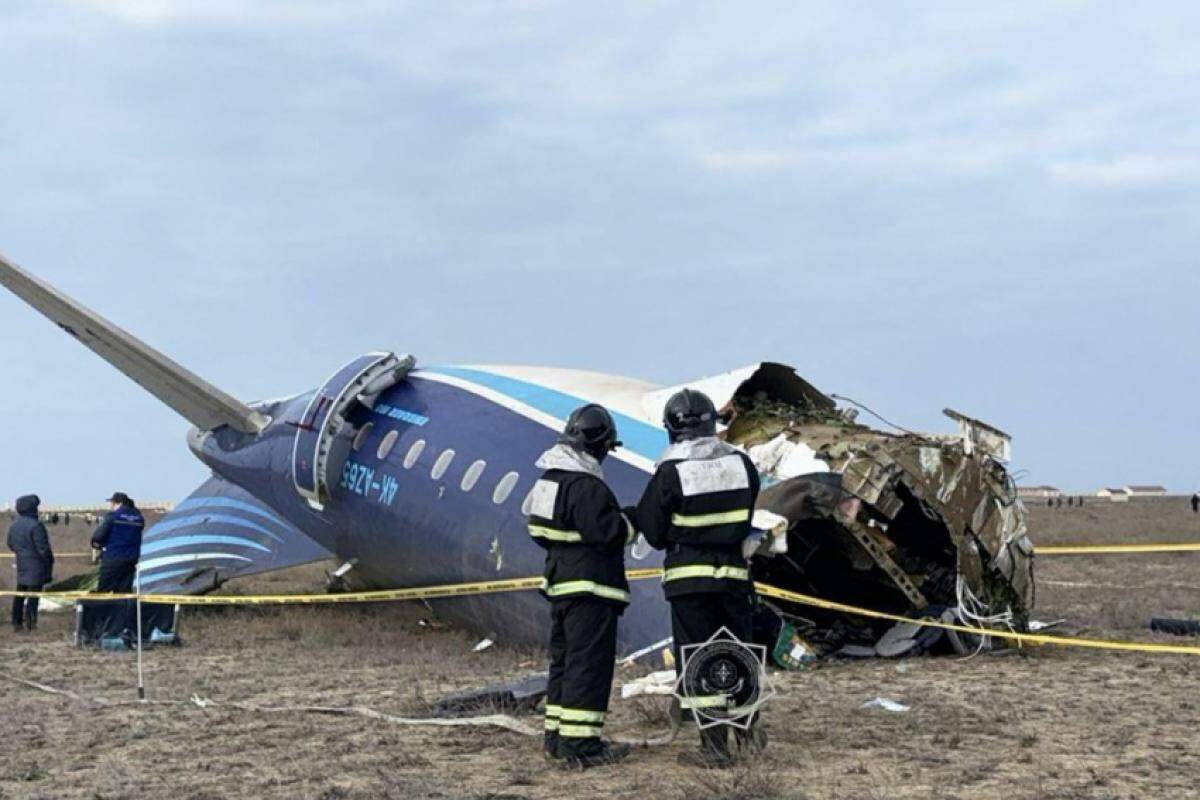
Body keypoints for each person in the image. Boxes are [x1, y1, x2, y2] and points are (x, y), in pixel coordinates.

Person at [630, 389, 764, 768]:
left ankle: (715, 748)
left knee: (701, 660)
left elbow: (652, 531)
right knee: (739, 653)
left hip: (691, 582)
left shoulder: (671, 471)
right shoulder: (741, 464)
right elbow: (747, 513)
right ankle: (749, 732)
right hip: (734, 578)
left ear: (672, 428)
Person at [528, 404, 635, 769]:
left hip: (560, 586)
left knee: (565, 662)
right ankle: (581, 746)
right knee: (588, 665)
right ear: (601, 445)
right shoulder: (587, 486)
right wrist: (631, 520)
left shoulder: (548, 481)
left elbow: (538, 531)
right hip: (591, 590)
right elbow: (608, 534)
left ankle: (556, 738)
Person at [7, 495, 53, 633]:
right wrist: (49, 562)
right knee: (33, 597)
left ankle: (16, 622)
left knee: (20, 594)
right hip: (37, 566)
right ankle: (31, 623)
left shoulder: (14, 525)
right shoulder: (36, 525)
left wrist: (22, 553)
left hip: (21, 564)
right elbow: (43, 548)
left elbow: (10, 543)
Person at [91, 492, 145, 593]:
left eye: (112, 503)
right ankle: (123, 609)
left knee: (103, 592)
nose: (111, 506)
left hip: (113, 558)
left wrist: (97, 545)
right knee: (124, 593)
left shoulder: (113, 516)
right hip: (131, 560)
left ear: (119, 503)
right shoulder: (139, 518)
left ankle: (101, 608)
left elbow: (98, 537)